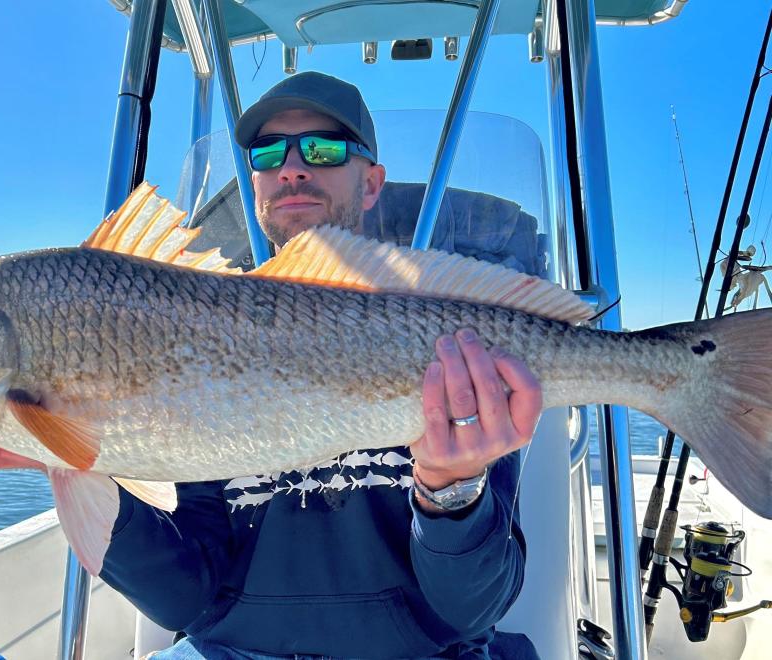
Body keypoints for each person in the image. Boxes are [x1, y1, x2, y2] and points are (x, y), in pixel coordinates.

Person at [100, 72, 542, 659]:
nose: (292, 167)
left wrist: (451, 493)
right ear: (254, 182)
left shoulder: (449, 338)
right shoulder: (186, 336)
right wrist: (81, 466)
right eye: (267, 153)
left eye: (324, 148)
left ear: (371, 183)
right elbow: (184, 601)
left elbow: (472, 610)